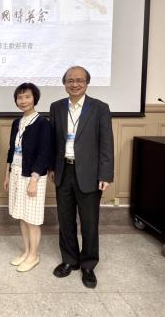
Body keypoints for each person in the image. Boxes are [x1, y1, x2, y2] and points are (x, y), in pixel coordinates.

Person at [49, 66, 114, 289]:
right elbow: (53, 141)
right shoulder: (56, 107)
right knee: (65, 220)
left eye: (79, 80)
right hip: (63, 170)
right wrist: (52, 167)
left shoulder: (100, 108)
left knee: (89, 222)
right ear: (64, 83)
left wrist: (105, 174)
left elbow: (106, 143)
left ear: (87, 83)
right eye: (70, 80)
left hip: (89, 173)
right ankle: (69, 260)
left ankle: (88, 264)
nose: (74, 84)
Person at [3, 83, 51, 273]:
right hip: (16, 173)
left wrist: (34, 179)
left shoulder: (42, 123)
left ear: (35, 99)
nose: (23, 101)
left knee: (32, 218)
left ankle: (34, 255)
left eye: (27, 97)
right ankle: (26, 251)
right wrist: (7, 174)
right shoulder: (17, 122)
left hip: (33, 177)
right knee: (22, 216)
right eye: (20, 97)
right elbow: (11, 150)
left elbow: (44, 153)